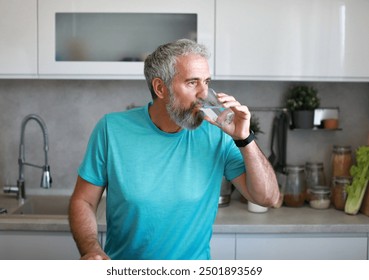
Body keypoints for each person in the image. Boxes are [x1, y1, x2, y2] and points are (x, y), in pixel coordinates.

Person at [69, 39, 280, 260]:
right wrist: (91, 249)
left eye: (206, 82)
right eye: (192, 83)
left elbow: (268, 198)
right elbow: (84, 201)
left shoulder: (218, 134)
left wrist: (244, 139)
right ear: (160, 88)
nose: (204, 93)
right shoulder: (111, 129)